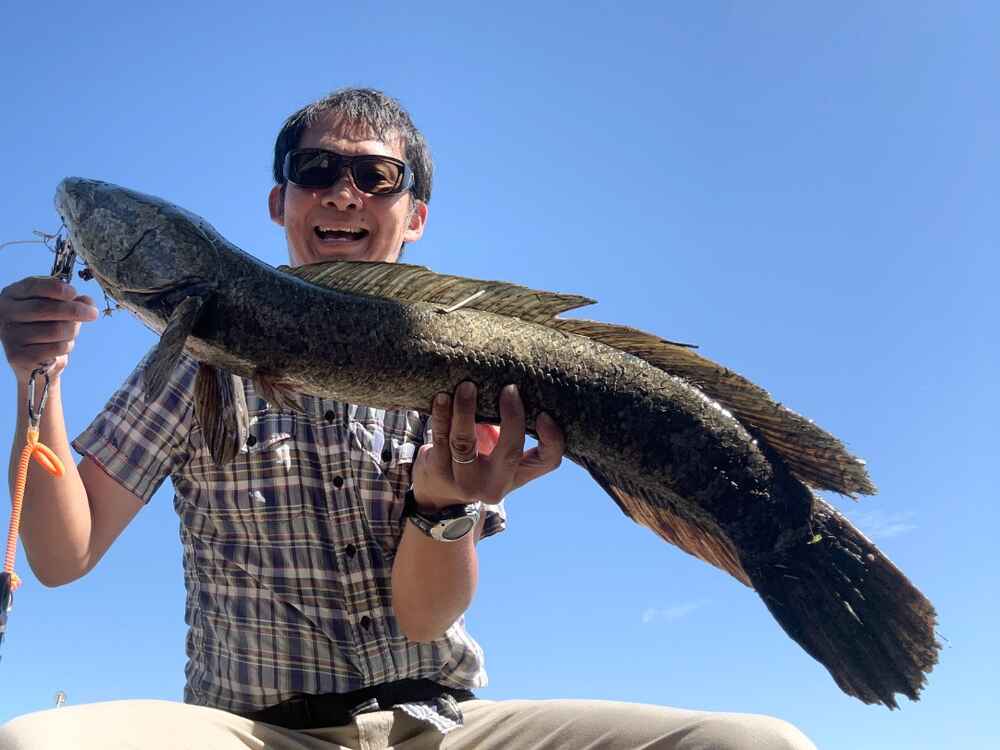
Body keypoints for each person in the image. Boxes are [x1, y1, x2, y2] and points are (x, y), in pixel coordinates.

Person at [0, 88, 816, 749]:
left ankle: (795, 544)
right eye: (317, 170)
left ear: (415, 215)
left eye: (377, 176)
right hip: (255, 732)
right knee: (34, 743)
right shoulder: (188, 365)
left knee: (757, 744)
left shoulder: (463, 370)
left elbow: (425, 618)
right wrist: (38, 376)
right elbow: (63, 554)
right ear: (280, 202)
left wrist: (443, 506)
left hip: (441, 724)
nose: (343, 191)